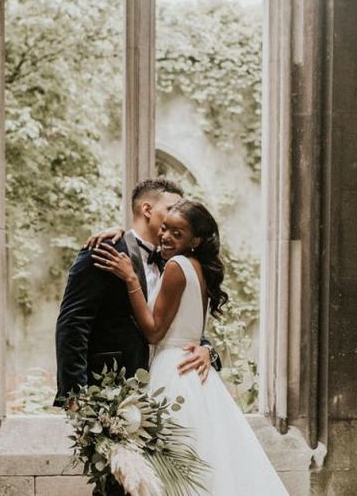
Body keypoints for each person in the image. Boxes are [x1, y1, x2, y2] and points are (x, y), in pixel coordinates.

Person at [92, 199, 289, 495]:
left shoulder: (175, 266)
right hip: (193, 372)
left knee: (172, 473)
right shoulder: (198, 266)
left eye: (178, 233)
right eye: (165, 228)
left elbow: (155, 331)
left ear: (195, 240)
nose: (166, 237)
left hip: (172, 371)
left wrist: (130, 278)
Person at [53, 179, 220, 409]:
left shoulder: (175, 263)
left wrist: (206, 350)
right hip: (111, 391)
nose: (178, 214)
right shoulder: (106, 250)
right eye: (171, 208)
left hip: (164, 390)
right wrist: (74, 396)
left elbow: (176, 323)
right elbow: (73, 323)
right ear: (148, 210)